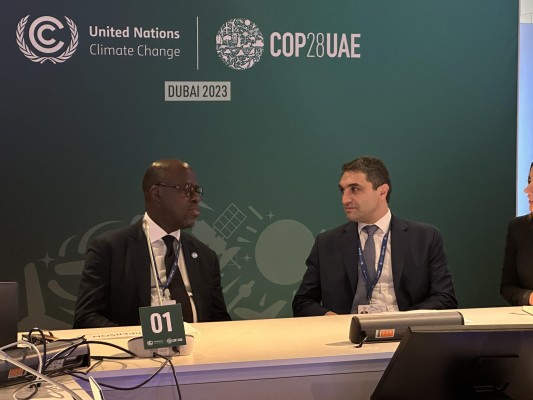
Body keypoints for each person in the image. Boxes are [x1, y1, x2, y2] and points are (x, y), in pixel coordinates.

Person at [292, 156, 458, 317]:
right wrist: (331, 318)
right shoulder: (327, 243)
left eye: (354, 189)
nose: (344, 199)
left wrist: (404, 320)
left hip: (405, 330)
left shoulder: (425, 237)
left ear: (382, 191)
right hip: (347, 331)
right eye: (342, 190)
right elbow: (302, 302)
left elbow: (445, 298)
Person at [74, 159, 231, 328]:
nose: (196, 198)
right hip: (134, 345)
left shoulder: (205, 257)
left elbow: (221, 322)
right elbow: (87, 317)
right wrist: (136, 339)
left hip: (200, 344)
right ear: (157, 193)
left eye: (197, 191)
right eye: (187, 189)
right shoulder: (110, 249)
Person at [500, 162, 533, 306]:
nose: (527, 190)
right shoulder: (518, 228)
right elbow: (507, 287)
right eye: (529, 181)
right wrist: (529, 297)